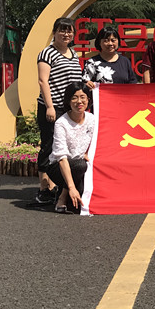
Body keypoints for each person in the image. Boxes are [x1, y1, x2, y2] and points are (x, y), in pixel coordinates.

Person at [34, 17, 83, 206]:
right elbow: (43, 81)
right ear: (54, 32)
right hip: (52, 107)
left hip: (69, 108)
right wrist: (50, 106)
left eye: (69, 30)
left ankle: (59, 186)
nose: (66, 34)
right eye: (62, 30)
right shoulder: (47, 53)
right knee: (49, 145)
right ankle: (44, 187)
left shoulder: (73, 53)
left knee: (66, 147)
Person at [48, 82, 95, 214]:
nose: (79, 101)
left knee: (77, 206)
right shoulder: (61, 123)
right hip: (59, 166)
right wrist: (71, 187)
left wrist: (87, 153)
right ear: (68, 101)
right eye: (74, 98)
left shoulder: (92, 119)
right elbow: (61, 157)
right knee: (79, 166)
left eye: (82, 97)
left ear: (88, 100)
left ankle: (64, 193)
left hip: (83, 165)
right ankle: (63, 196)